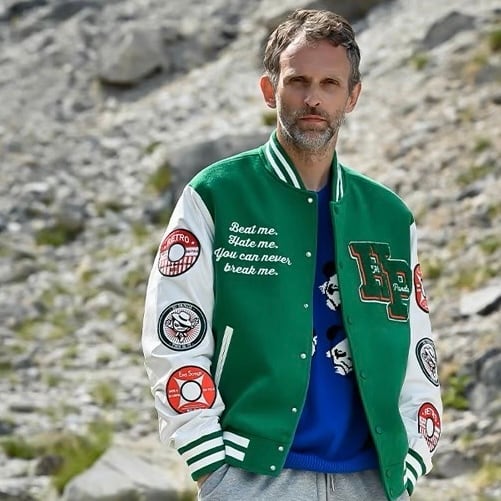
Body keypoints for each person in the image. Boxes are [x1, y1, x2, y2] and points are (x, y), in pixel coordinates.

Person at [142, 8, 442, 501]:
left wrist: (411, 459)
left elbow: (417, 349)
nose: (313, 98)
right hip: (251, 477)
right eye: (298, 81)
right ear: (270, 90)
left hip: (374, 481)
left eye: (330, 84)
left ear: (352, 96)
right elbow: (173, 331)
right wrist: (209, 462)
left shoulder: (389, 216)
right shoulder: (217, 194)